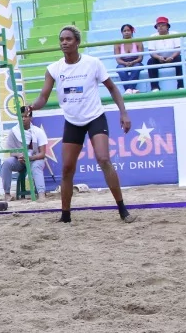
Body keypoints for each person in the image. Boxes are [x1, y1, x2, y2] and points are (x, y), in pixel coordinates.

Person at [29, 26, 133, 224]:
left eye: (68, 39)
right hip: (72, 121)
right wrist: (32, 107)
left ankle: (122, 209)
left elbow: (112, 88)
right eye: (62, 39)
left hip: (95, 117)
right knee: (67, 169)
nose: (64, 42)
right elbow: (43, 97)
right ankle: (65, 215)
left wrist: (123, 113)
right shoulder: (54, 69)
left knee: (103, 159)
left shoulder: (92, 63)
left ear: (77, 42)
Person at [0, 104, 52, 201]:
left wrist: (30, 158)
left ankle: (41, 194)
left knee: (36, 167)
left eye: (25, 116)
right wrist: (19, 155)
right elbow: (11, 152)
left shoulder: (38, 131)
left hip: (35, 159)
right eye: (21, 116)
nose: (23, 119)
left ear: (30, 117)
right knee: (6, 163)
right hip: (20, 160)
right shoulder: (14, 131)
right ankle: (7, 194)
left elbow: (42, 154)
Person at [146, 16, 185, 91]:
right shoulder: (152, 36)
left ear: (167, 26)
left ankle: (181, 86)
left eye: (163, 25)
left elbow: (178, 49)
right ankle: (155, 88)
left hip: (173, 57)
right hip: (158, 59)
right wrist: (158, 57)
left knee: (180, 59)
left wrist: (172, 57)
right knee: (150, 61)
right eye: (158, 25)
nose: (160, 27)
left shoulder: (175, 34)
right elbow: (152, 51)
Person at [112, 23, 145, 91]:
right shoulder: (117, 43)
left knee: (137, 67)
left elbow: (140, 58)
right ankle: (132, 89)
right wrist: (125, 63)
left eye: (128, 30)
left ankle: (128, 89)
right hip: (122, 62)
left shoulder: (138, 42)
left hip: (136, 61)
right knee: (120, 69)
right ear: (122, 32)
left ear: (131, 31)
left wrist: (133, 62)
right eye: (124, 31)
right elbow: (118, 60)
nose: (126, 32)